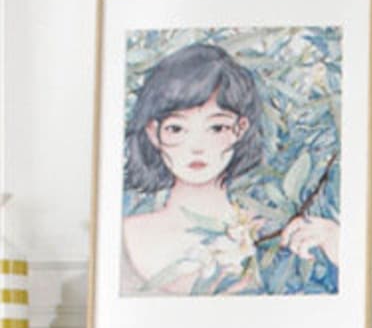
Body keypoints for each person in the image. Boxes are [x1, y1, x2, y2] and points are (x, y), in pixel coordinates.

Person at [121, 40, 340, 295]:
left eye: (216, 127)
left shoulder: (280, 238)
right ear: (153, 133)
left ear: (240, 129)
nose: (197, 147)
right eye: (176, 129)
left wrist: (340, 247)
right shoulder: (120, 236)